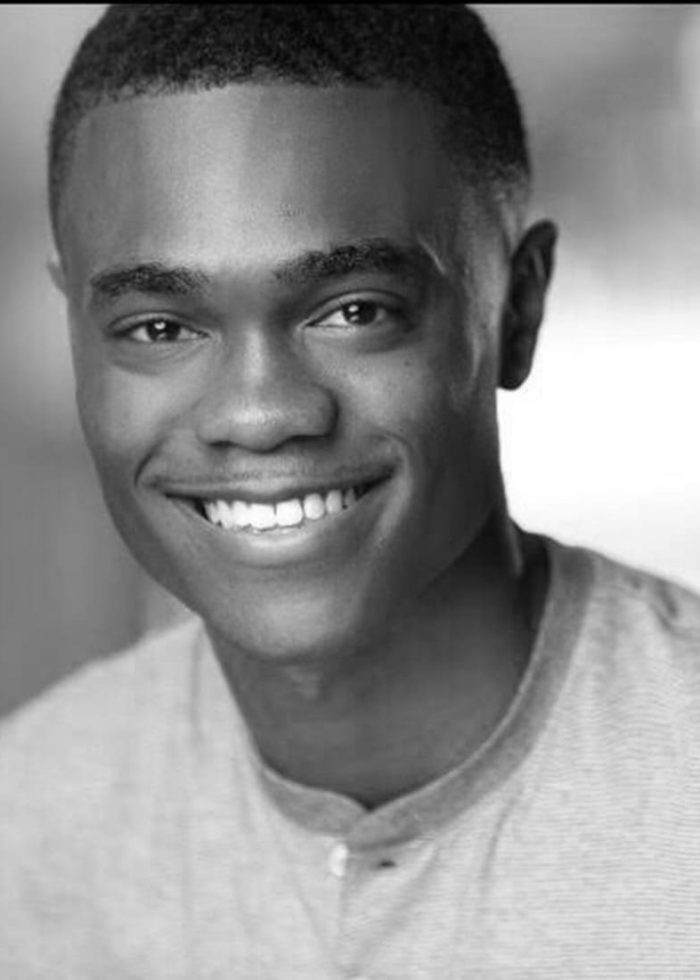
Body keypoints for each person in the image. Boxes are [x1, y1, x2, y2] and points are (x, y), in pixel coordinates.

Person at [1, 4, 699, 976]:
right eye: (160, 327)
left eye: (354, 310)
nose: (258, 411)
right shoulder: (30, 817)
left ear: (519, 308)